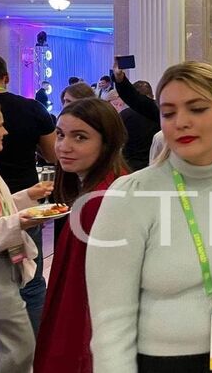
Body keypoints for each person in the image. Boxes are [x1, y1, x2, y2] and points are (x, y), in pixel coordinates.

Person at [87, 61, 212, 372]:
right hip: (167, 362)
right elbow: (111, 324)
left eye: (197, 109)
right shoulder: (131, 195)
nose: (181, 122)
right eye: (168, 113)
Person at [34, 99, 129, 373]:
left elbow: (81, 296)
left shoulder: (99, 201)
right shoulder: (104, 187)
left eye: (80, 137)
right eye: (60, 135)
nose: (64, 146)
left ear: (107, 142)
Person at [0, 53, 56, 336]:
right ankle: (34, 344)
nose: (5, 133)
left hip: (13, 206)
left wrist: (26, 198)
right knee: (26, 284)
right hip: (10, 219)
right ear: (6, 77)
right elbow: (52, 154)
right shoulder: (32, 108)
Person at [105, 88, 160, 172]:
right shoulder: (106, 120)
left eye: (121, 105)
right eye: (115, 104)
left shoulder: (126, 115)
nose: (119, 108)